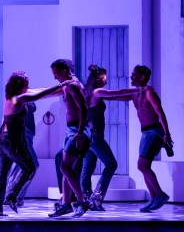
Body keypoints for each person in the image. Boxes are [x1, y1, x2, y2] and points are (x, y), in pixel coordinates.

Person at [95, 65, 173, 212]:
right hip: (145, 132)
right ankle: (155, 196)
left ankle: (160, 195)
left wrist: (166, 133)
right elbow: (117, 96)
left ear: (142, 77)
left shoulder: (149, 92)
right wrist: (96, 94)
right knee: (143, 166)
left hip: (154, 132)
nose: (131, 77)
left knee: (142, 165)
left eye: (134, 75)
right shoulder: (135, 93)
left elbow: (160, 112)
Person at [0, 72, 64, 216]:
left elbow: (41, 92)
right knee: (30, 167)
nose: (29, 86)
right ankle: (12, 196)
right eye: (27, 83)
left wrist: (59, 91)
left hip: (3, 139)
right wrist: (61, 85)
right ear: (20, 85)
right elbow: (38, 96)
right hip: (11, 140)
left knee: (2, 173)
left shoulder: (10, 97)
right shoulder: (19, 99)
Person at [48, 58, 91, 218]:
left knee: (65, 167)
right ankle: (66, 204)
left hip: (77, 130)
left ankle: (81, 201)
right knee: (66, 167)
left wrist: (79, 132)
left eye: (56, 73)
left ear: (65, 70)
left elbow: (84, 109)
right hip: (71, 129)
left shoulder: (73, 85)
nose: (55, 77)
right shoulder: (66, 85)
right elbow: (50, 92)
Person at [79, 64, 118, 211]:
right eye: (105, 78)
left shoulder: (86, 93)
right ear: (98, 79)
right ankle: (96, 199)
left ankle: (87, 199)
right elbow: (117, 94)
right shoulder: (97, 92)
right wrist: (135, 92)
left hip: (88, 135)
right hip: (95, 136)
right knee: (111, 164)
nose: (106, 81)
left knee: (87, 168)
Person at [5, 101, 37, 206]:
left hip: (27, 134)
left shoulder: (27, 96)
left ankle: (13, 195)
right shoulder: (17, 97)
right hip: (22, 134)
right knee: (31, 165)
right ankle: (14, 195)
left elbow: (33, 107)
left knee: (19, 165)